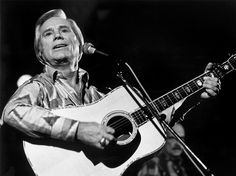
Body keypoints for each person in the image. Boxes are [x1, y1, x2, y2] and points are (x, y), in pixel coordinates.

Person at [0, 9, 220, 176]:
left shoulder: (98, 98)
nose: (57, 35)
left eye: (64, 30)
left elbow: (154, 122)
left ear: (80, 44)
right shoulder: (40, 86)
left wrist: (193, 96)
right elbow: (12, 112)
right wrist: (79, 130)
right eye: (48, 34)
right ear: (41, 53)